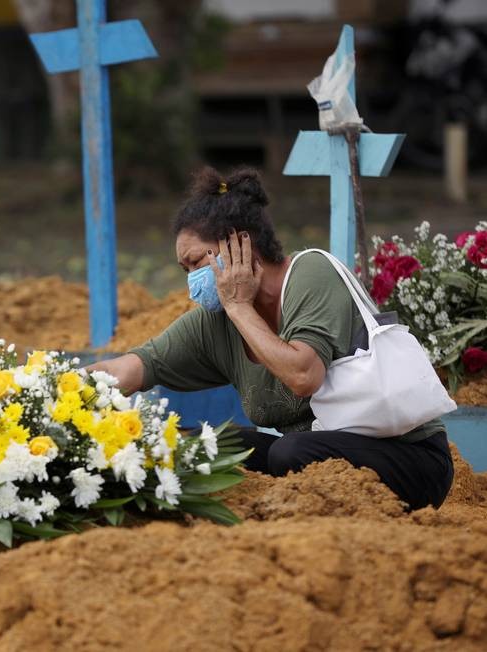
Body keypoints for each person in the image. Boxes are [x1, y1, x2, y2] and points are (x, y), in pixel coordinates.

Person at [88, 166, 453, 510]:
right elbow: (135, 366)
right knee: (219, 444)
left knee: (289, 453)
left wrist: (239, 307)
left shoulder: (311, 273)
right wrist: (62, 390)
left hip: (412, 459)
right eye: (184, 270)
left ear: (238, 244)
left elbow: (303, 377)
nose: (191, 282)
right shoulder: (217, 321)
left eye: (196, 263)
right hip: (319, 454)